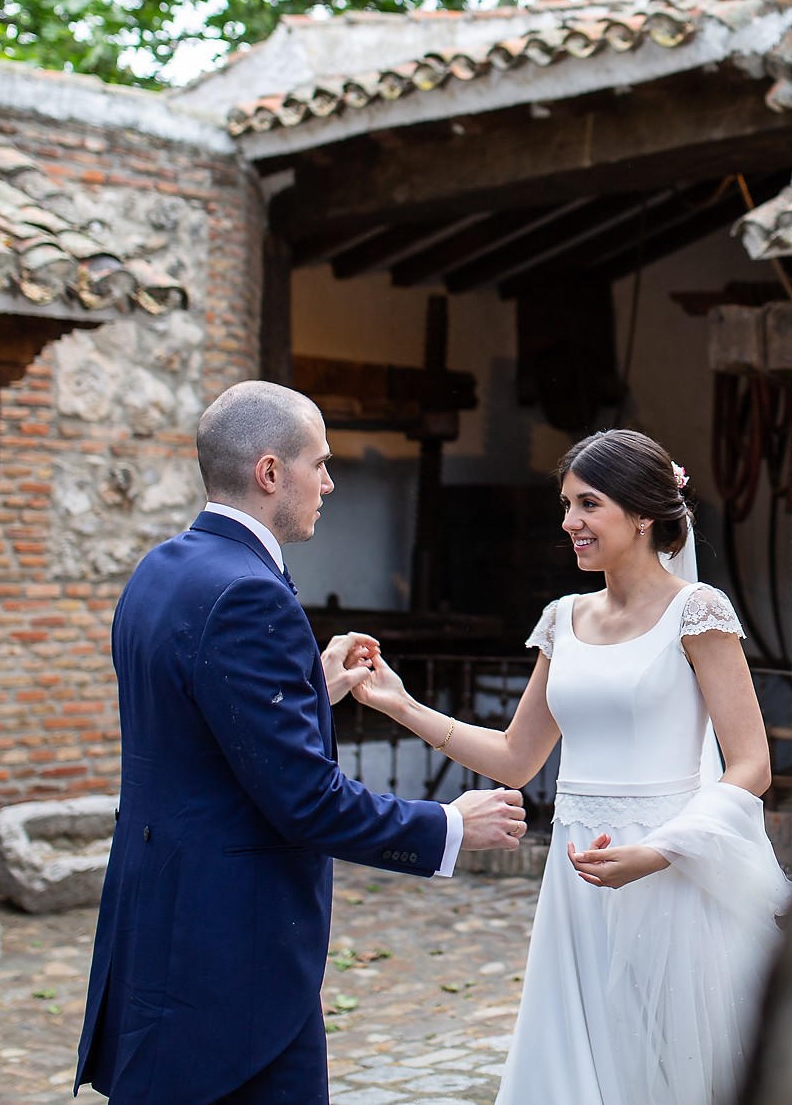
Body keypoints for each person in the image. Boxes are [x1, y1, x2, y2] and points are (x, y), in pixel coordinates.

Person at [76, 381, 528, 1104]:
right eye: (318, 462)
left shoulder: (162, 569)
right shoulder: (250, 593)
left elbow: (200, 724)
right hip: (232, 953)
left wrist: (310, 684)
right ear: (269, 472)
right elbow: (306, 800)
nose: (330, 480)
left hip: (159, 917)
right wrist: (448, 825)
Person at [353, 428, 792, 1104]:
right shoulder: (562, 619)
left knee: (664, 1069)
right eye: (566, 505)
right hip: (575, 876)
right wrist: (403, 704)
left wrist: (662, 850)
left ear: (644, 512)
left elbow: (753, 764)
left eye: (588, 504)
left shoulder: (697, 613)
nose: (569, 523)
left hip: (668, 872)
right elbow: (515, 757)